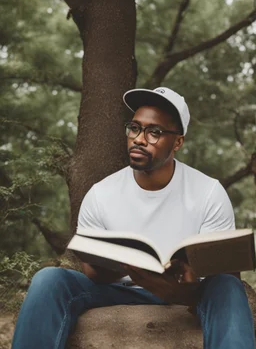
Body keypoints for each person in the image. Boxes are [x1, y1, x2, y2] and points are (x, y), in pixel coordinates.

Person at [12, 87, 255, 349]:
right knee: (49, 279)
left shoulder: (208, 192)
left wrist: (180, 289)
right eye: (135, 128)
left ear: (178, 142)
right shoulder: (101, 193)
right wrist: (124, 268)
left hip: (188, 292)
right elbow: (91, 272)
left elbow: (226, 275)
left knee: (228, 286)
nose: (139, 139)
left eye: (154, 132)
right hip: (118, 288)